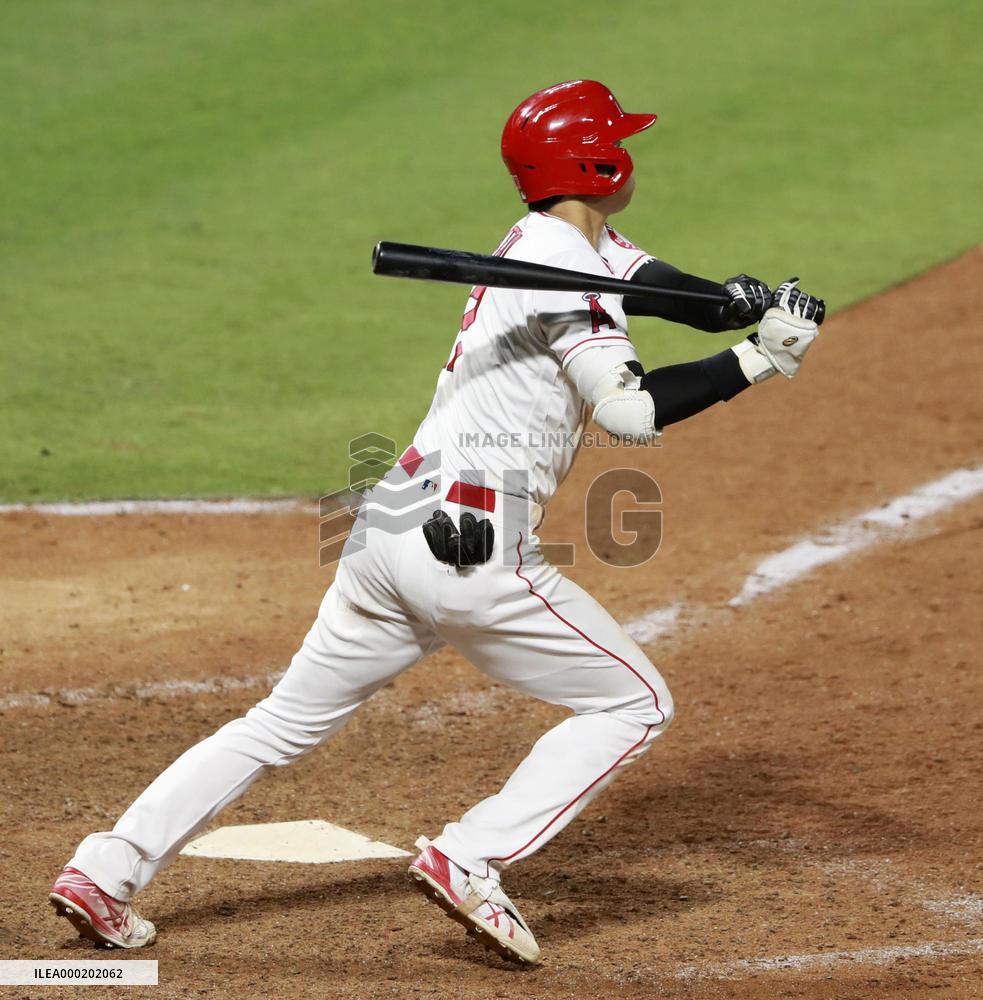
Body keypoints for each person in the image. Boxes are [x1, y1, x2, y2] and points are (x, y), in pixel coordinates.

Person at [49, 80, 824, 965]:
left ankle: (106, 869)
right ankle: (471, 855)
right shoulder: (565, 288)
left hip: (389, 525)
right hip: (473, 549)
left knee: (279, 722)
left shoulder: (545, 241)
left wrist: (723, 299)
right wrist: (754, 357)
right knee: (632, 703)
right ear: (600, 166)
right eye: (619, 143)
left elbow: (642, 280)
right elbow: (630, 413)